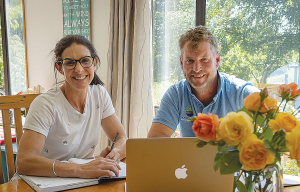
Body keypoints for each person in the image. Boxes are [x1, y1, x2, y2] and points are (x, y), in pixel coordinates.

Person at [16, 35, 127, 179]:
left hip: (79, 183)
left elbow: (122, 138)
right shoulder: (45, 104)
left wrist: (114, 155)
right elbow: (23, 162)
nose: (79, 69)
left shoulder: (100, 94)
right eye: (70, 63)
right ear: (60, 68)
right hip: (41, 185)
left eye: (85, 61)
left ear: (94, 63)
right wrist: (79, 169)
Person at [148, 26, 259, 138]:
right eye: (190, 60)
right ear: (181, 63)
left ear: (217, 60)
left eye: (204, 59)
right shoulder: (175, 94)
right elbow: (154, 141)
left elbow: (271, 121)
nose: (196, 68)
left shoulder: (241, 92)